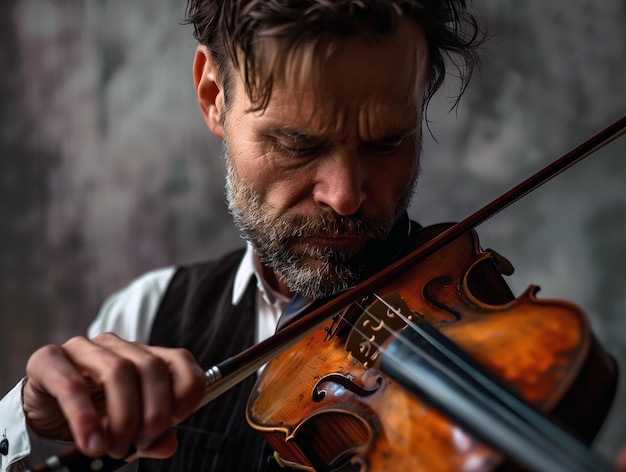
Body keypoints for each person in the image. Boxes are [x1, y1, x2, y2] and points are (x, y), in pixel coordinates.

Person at [0, 1, 622, 471]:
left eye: (386, 142)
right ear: (214, 95)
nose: (346, 195)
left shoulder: (506, 336)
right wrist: (32, 424)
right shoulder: (147, 314)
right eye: (296, 144)